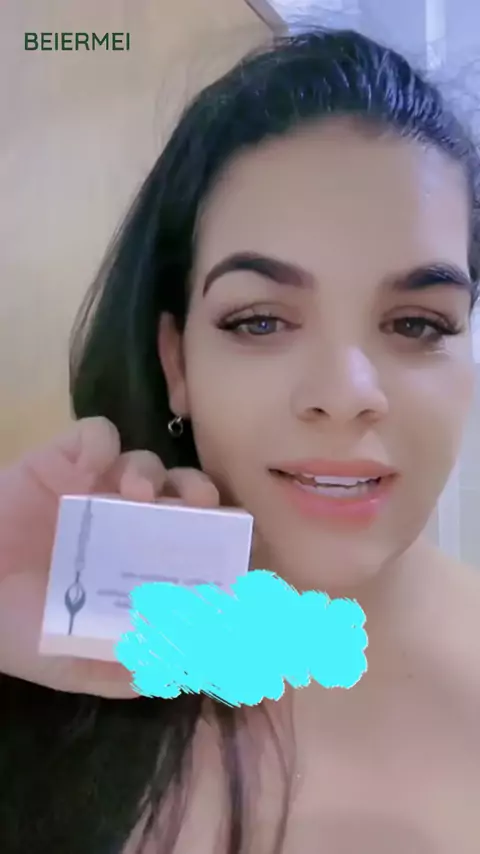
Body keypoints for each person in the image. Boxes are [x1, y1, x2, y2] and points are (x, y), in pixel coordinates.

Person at [1, 25, 480, 854]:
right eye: (260, 320)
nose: (345, 394)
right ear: (177, 363)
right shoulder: (44, 672)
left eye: (417, 323)